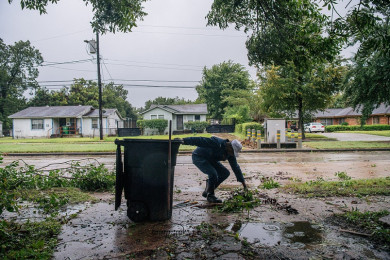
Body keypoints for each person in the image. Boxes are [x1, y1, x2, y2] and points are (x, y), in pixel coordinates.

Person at [177, 136, 247, 203]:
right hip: (199, 157)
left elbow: (235, 167)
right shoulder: (216, 142)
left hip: (211, 159)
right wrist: (184, 140)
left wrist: (243, 184)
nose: (232, 154)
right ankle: (210, 195)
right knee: (213, 174)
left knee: (225, 173)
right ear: (229, 147)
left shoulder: (230, 154)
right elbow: (200, 140)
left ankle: (208, 190)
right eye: (232, 152)